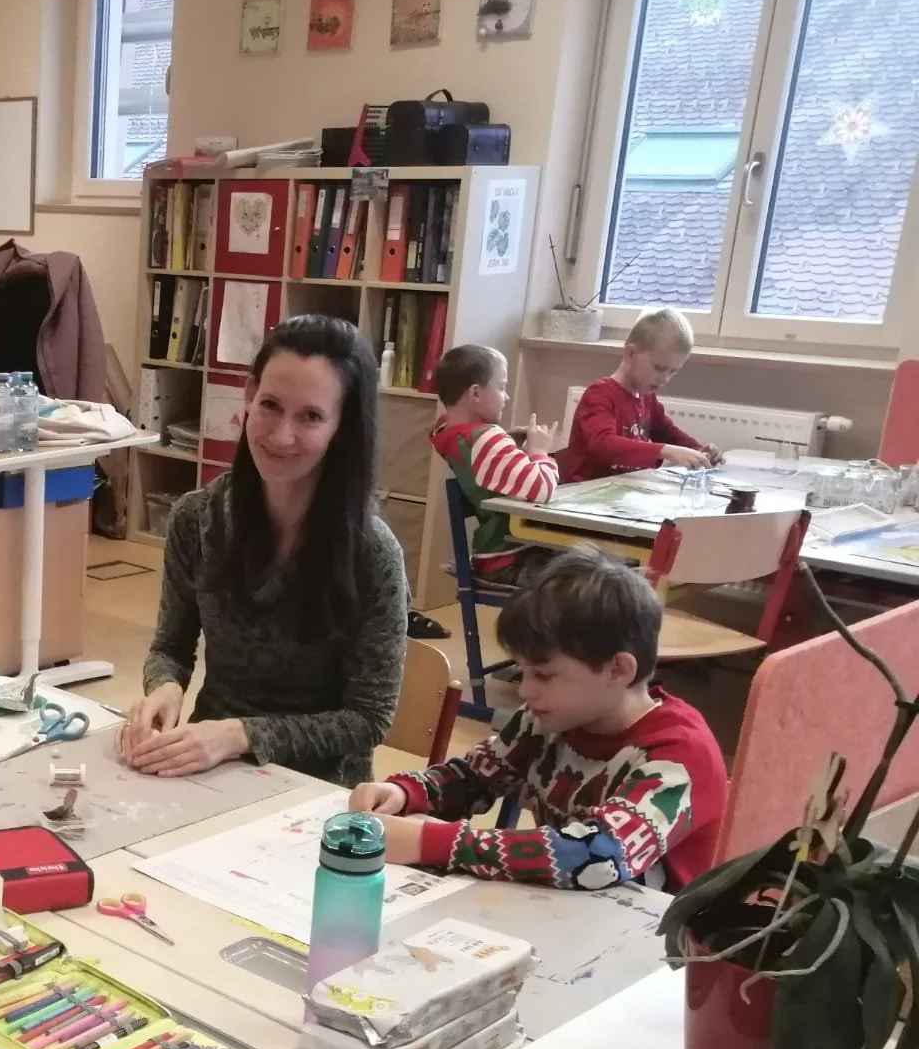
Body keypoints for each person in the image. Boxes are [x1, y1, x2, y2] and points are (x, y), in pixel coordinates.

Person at [120, 315, 408, 788]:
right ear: (250, 394)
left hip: (316, 790)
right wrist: (165, 688)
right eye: (271, 405)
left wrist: (240, 735)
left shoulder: (373, 554)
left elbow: (367, 719)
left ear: (342, 426)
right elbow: (171, 647)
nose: (280, 435)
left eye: (311, 416)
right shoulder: (196, 519)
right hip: (207, 767)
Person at [350, 544, 728, 891]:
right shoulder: (549, 718)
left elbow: (596, 855)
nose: (526, 691)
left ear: (618, 670)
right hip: (571, 913)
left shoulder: (678, 756)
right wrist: (406, 792)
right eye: (523, 672)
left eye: (544, 675)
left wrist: (428, 843)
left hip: (654, 934)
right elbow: (472, 779)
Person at [430, 344, 560, 584]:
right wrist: (540, 452)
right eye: (501, 387)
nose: (506, 396)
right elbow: (542, 489)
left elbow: (484, 457)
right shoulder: (486, 441)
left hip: (496, 557)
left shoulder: (452, 434)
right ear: (476, 394)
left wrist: (508, 441)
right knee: (593, 575)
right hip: (513, 558)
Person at [559, 306, 722, 483]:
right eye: (659, 368)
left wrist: (699, 451)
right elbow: (603, 444)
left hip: (624, 489)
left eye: (673, 371)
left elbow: (669, 433)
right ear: (631, 353)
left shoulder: (647, 398)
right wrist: (667, 451)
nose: (665, 379)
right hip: (584, 491)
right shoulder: (600, 394)